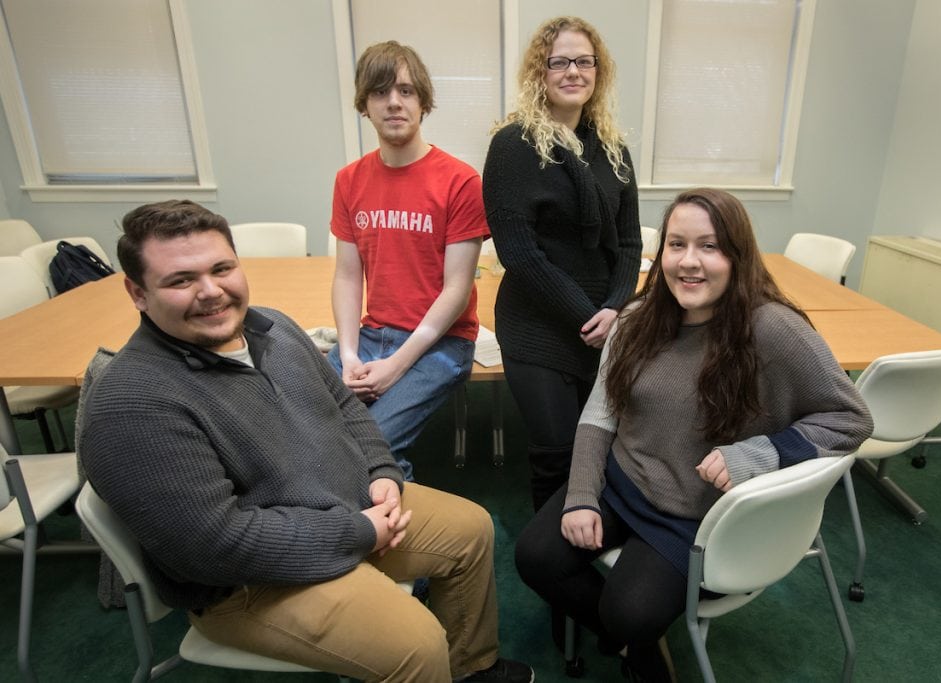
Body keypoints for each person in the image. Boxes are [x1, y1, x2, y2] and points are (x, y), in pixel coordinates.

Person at [78, 200, 532, 683]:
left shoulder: (273, 326)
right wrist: (356, 532)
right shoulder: (133, 405)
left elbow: (345, 407)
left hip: (344, 505)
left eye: (222, 268)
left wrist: (382, 472)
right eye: (180, 280)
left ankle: (469, 669)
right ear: (138, 292)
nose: (210, 292)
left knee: (470, 528)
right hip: (250, 583)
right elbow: (213, 547)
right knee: (415, 646)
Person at [514, 188, 873, 682]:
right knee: (534, 558)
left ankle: (633, 637)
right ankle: (634, 643)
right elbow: (600, 414)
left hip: (696, 512)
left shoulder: (773, 329)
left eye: (709, 246)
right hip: (624, 482)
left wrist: (759, 452)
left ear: (737, 255)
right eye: (676, 245)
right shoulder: (638, 320)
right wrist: (580, 495)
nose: (689, 262)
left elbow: (851, 418)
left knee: (629, 612)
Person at [483, 16, 641, 513]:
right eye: (560, 62)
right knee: (557, 451)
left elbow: (631, 244)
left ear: (599, 71)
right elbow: (520, 253)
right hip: (537, 325)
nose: (573, 71)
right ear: (541, 72)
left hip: (604, 322)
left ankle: (591, 529)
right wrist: (584, 314)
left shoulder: (613, 149)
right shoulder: (513, 146)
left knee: (601, 444)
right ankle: (553, 560)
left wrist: (615, 306)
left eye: (584, 61)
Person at [328, 41, 488, 481]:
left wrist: (396, 367)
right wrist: (346, 354)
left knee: (368, 448)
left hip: (441, 344)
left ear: (423, 100)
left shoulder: (460, 181)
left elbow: (457, 291)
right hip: (371, 335)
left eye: (405, 90)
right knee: (305, 425)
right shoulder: (349, 180)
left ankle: (401, 533)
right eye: (380, 92)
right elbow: (346, 275)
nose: (394, 102)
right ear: (365, 104)